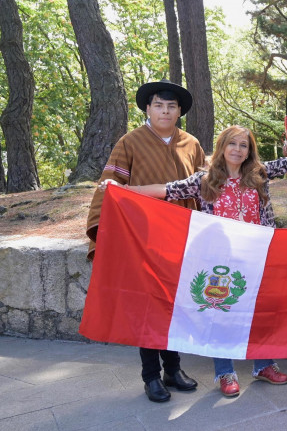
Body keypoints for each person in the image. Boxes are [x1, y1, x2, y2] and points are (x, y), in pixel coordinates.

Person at [102, 125, 287, 397]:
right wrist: (124, 188)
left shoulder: (259, 174)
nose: (238, 149)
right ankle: (225, 372)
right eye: (232, 144)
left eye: (243, 145)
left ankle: (264, 365)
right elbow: (166, 190)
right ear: (222, 147)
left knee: (261, 310)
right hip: (220, 259)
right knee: (220, 313)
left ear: (249, 151)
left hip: (257, 255)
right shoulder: (205, 180)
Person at [86, 79, 205, 404]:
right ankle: (151, 376)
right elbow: (109, 186)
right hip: (144, 237)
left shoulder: (191, 143)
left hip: (182, 236)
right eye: (159, 105)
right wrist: (102, 232)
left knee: (176, 305)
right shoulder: (130, 142)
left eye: (171, 106)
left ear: (179, 111)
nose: (165, 111)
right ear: (148, 109)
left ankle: (173, 370)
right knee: (148, 307)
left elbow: (206, 186)